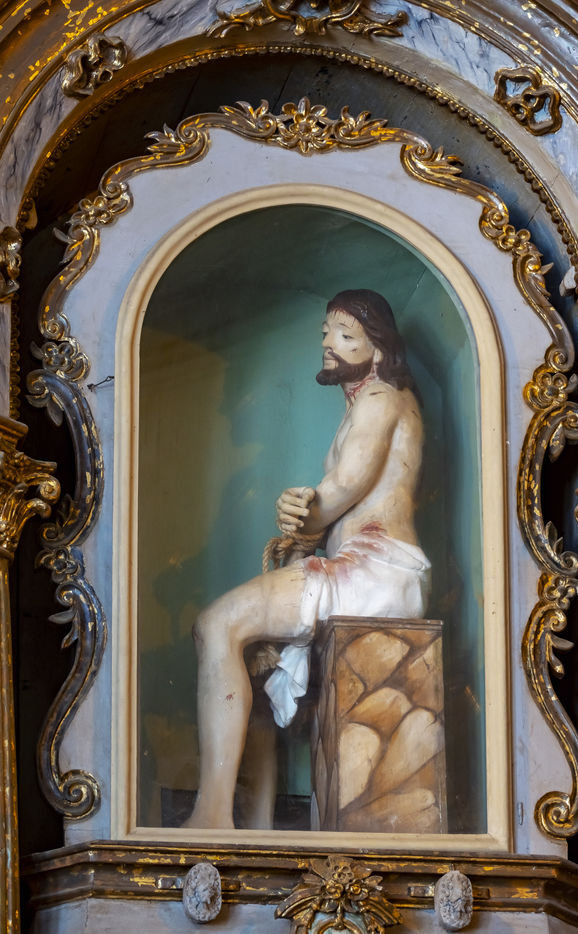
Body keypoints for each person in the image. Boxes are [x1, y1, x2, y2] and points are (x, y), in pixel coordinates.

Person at [186, 289, 431, 829]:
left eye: (345, 334)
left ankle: (210, 816)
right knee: (254, 664)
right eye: (326, 332)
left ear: (378, 347)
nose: (329, 342)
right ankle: (255, 825)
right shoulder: (369, 403)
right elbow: (338, 504)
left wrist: (301, 510)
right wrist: (306, 525)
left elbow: (344, 488)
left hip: (376, 570)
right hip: (366, 566)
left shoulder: (380, 399)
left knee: (218, 623)